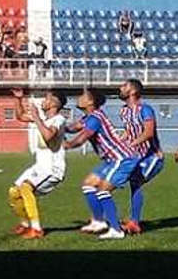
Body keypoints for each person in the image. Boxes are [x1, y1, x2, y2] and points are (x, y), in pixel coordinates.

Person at [64, 87, 140, 240]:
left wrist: (66, 145)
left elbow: (81, 138)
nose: (79, 98)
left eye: (83, 96)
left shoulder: (94, 119)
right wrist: (54, 125)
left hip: (122, 159)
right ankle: (98, 222)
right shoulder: (89, 117)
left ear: (90, 102)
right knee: (88, 184)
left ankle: (116, 230)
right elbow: (71, 128)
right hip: (111, 160)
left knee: (103, 190)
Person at [7, 87, 67, 240]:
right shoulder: (44, 119)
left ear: (54, 103)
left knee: (26, 188)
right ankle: (25, 224)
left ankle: (36, 229)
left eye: (47, 98)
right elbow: (20, 116)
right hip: (40, 166)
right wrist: (18, 99)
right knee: (14, 192)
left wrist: (36, 117)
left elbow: (48, 136)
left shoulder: (58, 120)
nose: (43, 101)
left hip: (52, 169)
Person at [118, 79, 164, 235]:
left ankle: (133, 222)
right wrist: (119, 141)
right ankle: (134, 222)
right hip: (137, 157)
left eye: (124, 86)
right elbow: (129, 132)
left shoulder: (145, 110)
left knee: (134, 181)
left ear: (133, 91)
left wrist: (131, 144)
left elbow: (148, 132)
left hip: (153, 157)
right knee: (133, 183)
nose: (120, 88)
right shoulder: (124, 111)